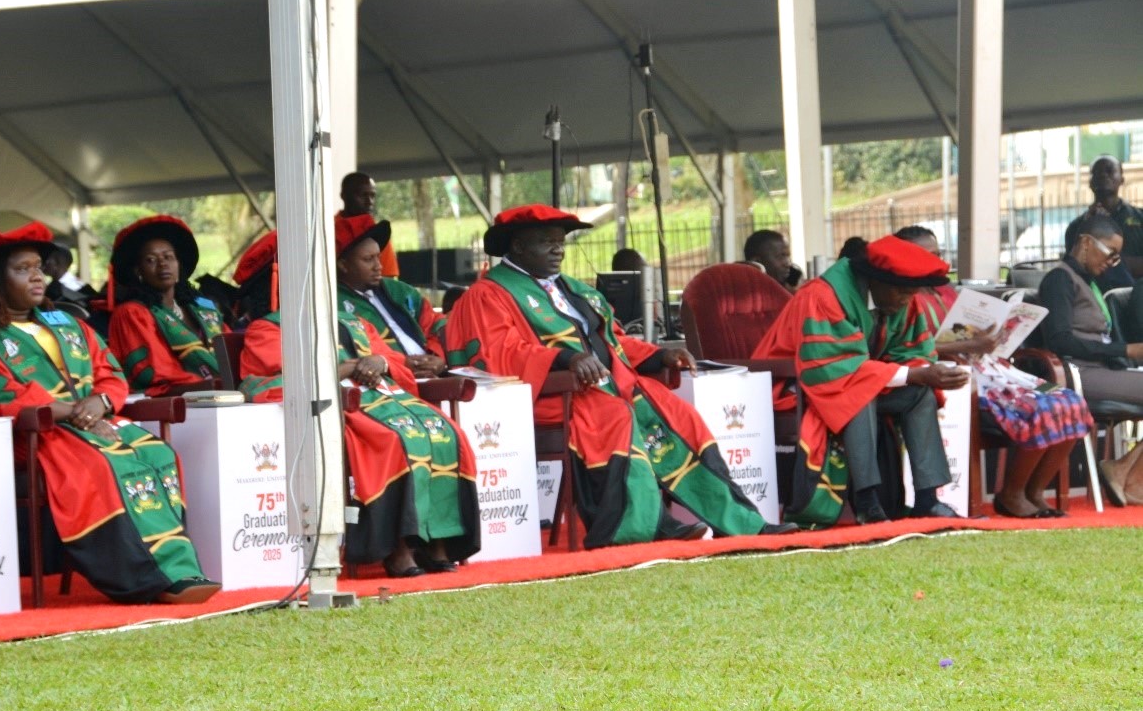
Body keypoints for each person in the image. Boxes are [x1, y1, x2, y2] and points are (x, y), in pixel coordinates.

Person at [446, 204, 798, 546]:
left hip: (608, 386)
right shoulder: (489, 294)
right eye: (546, 242)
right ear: (518, 246)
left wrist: (660, 353)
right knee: (614, 416)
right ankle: (644, 525)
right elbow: (499, 353)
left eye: (561, 242)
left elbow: (614, 343)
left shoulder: (574, 290)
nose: (557, 250)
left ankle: (740, 522)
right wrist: (564, 358)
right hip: (551, 396)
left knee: (679, 415)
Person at [0, 222, 219, 604]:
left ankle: (179, 569)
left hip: (89, 422)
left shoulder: (67, 324)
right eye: (23, 269)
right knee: (101, 463)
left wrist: (101, 403)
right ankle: (146, 577)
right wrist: (75, 413)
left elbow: (110, 371)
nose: (38, 276)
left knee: (157, 453)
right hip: (30, 436)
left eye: (39, 268)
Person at [238, 269, 480, 577]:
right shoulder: (269, 330)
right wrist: (346, 368)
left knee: (447, 432)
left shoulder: (356, 321)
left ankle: (437, 540)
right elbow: (276, 384)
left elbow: (393, 360)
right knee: (398, 440)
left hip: (389, 398)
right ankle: (399, 548)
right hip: (342, 407)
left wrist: (380, 362)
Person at [752, 235, 970, 527]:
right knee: (860, 393)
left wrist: (926, 372)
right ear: (874, 281)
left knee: (920, 394)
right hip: (796, 388)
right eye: (901, 293)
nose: (907, 301)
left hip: (856, 381)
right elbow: (833, 368)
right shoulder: (824, 296)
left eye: (912, 293)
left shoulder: (899, 297)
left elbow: (912, 351)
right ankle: (868, 503)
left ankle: (927, 500)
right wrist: (913, 373)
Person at [895, 226, 1088, 518]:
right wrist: (975, 343)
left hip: (991, 368)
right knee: (1039, 408)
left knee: (1069, 401)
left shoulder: (944, 290)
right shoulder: (899, 297)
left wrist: (999, 334)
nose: (938, 262)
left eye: (938, 254)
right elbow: (914, 348)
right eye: (927, 255)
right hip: (957, 378)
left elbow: (964, 331)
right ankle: (1011, 493)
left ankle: (1034, 491)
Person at [1037, 215, 1143, 505]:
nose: (1113, 262)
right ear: (1085, 242)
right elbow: (1060, 341)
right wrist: (1126, 351)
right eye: (1111, 252)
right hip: (1077, 372)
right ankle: (1127, 475)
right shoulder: (1059, 279)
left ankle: (1126, 473)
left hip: (1101, 369)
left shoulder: (1090, 281)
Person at [106, 215, 226, 395]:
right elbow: (158, 370)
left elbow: (231, 352)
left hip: (218, 394)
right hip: (167, 404)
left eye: (168, 257)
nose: (163, 264)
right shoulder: (131, 313)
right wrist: (212, 385)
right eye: (151, 260)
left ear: (179, 265)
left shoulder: (201, 310)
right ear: (138, 271)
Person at [336, 215, 446, 377]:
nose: (378, 266)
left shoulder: (398, 290)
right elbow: (356, 356)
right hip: (391, 386)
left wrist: (437, 357)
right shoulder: (334, 304)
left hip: (433, 374)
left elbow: (434, 324)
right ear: (343, 265)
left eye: (378, 257)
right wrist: (401, 366)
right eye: (368, 259)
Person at [1062, 156, 1139, 288]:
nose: (1103, 175)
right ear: (1089, 182)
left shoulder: (1139, 217)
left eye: (1109, 170)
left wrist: (1122, 263)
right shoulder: (1076, 226)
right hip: (1093, 293)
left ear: (1122, 179)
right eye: (1097, 172)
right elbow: (1072, 265)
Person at [339, 172, 400, 279]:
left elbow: (387, 278)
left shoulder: (378, 233)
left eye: (372, 196)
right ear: (344, 196)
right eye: (363, 195)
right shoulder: (330, 230)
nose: (369, 202)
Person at [43, 243, 95, 315]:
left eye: (45, 259)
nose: (43, 264)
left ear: (56, 262)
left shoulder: (53, 290)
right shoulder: (84, 286)